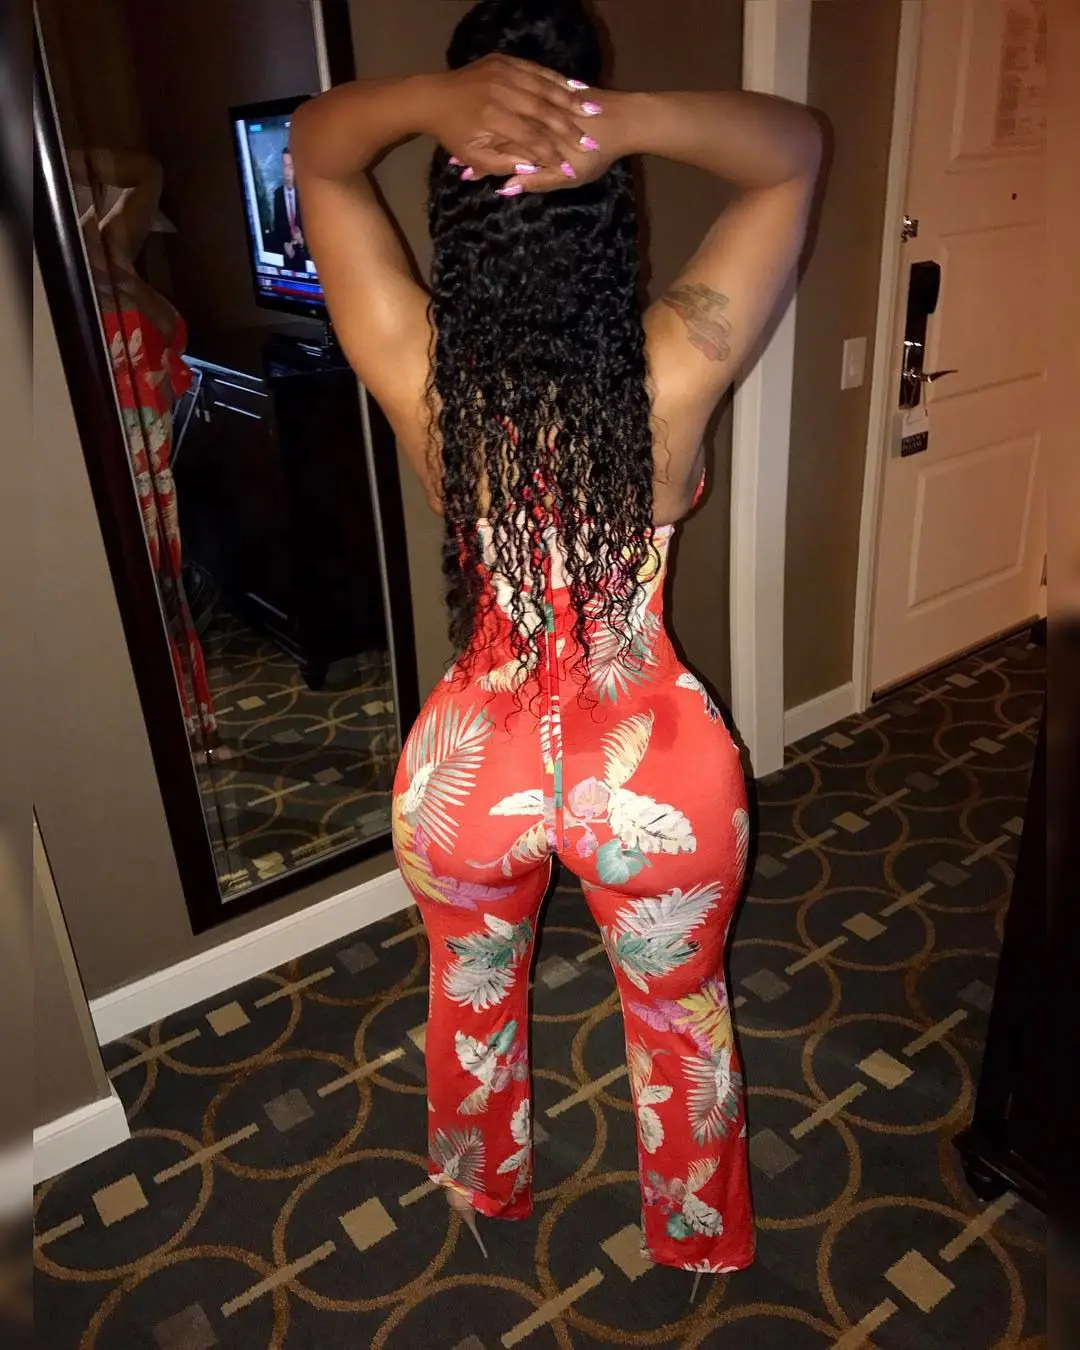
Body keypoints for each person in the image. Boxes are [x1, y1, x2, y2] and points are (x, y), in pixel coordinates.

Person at [292, 0, 821, 1294]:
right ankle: (695, 1235)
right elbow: (794, 151)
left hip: (469, 770)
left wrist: (433, 101)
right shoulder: (672, 362)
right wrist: (621, 122)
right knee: (681, 1020)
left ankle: (483, 1183)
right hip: (657, 773)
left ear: (458, 205)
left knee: (469, 994)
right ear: (605, 207)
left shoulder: (424, 370)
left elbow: (317, 152)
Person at [70, 147, 217, 749]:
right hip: (87, 477)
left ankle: (185, 729)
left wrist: (54, 158)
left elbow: (146, 172)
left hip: (150, 473)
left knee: (162, 596)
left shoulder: (104, 247)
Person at [270, 146, 307, 268]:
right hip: (286, 262)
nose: (287, 172)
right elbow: (277, 231)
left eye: (290, 166)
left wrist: (302, 241)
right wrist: (284, 245)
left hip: (305, 260)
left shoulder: (305, 194)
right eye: (285, 166)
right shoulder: (278, 195)